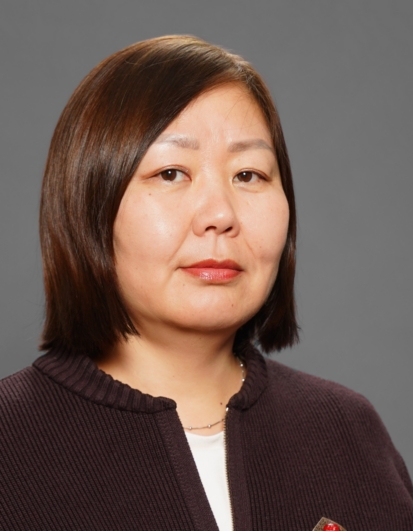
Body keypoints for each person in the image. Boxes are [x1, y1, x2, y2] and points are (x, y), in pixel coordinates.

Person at [0, 35, 412, 531]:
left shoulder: (347, 432)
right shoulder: (10, 444)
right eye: (171, 173)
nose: (220, 214)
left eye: (249, 175)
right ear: (88, 203)